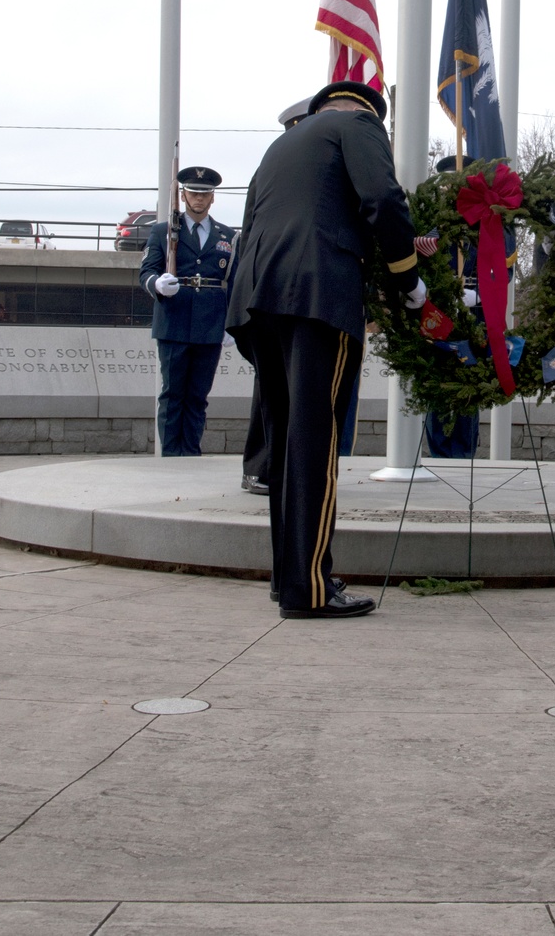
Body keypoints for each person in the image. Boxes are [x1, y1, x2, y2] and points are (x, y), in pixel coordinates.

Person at [227, 81, 425, 620]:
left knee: (287, 441)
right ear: (367, 113)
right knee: (316, 442)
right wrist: (410, 281)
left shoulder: (283, 145)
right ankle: (311, 587)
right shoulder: (358, 126)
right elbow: (381, 200)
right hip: (318, 291)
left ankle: (287, 576)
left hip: (260, 297)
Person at [420, 154, 517, 460]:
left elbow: (505, 266)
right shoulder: (431, 221)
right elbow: (419, 264)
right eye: (448, 184)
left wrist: (477, 294)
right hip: (437, 314)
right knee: (436, 383)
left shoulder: (488, 219)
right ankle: (437, 451)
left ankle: (462, 451)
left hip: (473, 313)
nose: (452, 190)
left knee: (467, 381)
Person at [240, 96, 313, 497]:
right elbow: (251, 235)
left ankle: (288, 468)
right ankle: (261, 467)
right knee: (270, 386)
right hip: (273, 291)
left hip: (296, 292)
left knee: (298, 386)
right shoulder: (271, 171)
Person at [141, 166, 239, 457]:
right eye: (194, 192)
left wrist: (229, 324)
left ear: (213, 198)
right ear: (183, 195)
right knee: (172, 395)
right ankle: (172, 456)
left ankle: (191, 455)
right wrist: (157, 284)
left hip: (210, 323)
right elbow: (146, 271)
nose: (199, 198)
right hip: (174, 318)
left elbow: (232, 282)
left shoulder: (227, 236)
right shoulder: (163, 231)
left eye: (205, 193)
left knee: (197, 396)